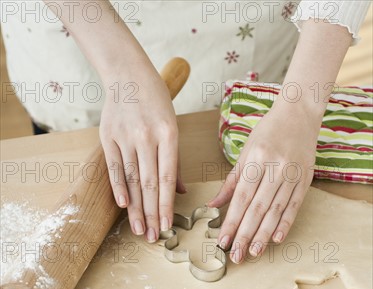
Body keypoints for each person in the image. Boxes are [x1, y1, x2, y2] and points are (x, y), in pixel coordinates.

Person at [2, 0, 370, 262]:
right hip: (79, 23)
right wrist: (121, 71)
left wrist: (301, 104)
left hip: (245, 24)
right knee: (68, 157)